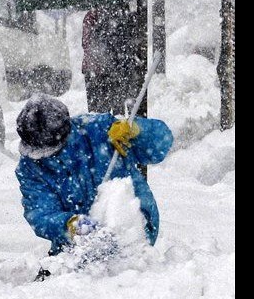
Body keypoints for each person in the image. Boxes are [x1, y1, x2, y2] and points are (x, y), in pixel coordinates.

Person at [14, 94, 173, 265]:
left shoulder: (101, 130)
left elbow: (161, 144)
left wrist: (137, 131)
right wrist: (69, 225)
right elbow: (40, 213)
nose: (42, 157)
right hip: (76, 245)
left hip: (132, 228)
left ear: (64, 135)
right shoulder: (30, 167)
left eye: (49, 151)